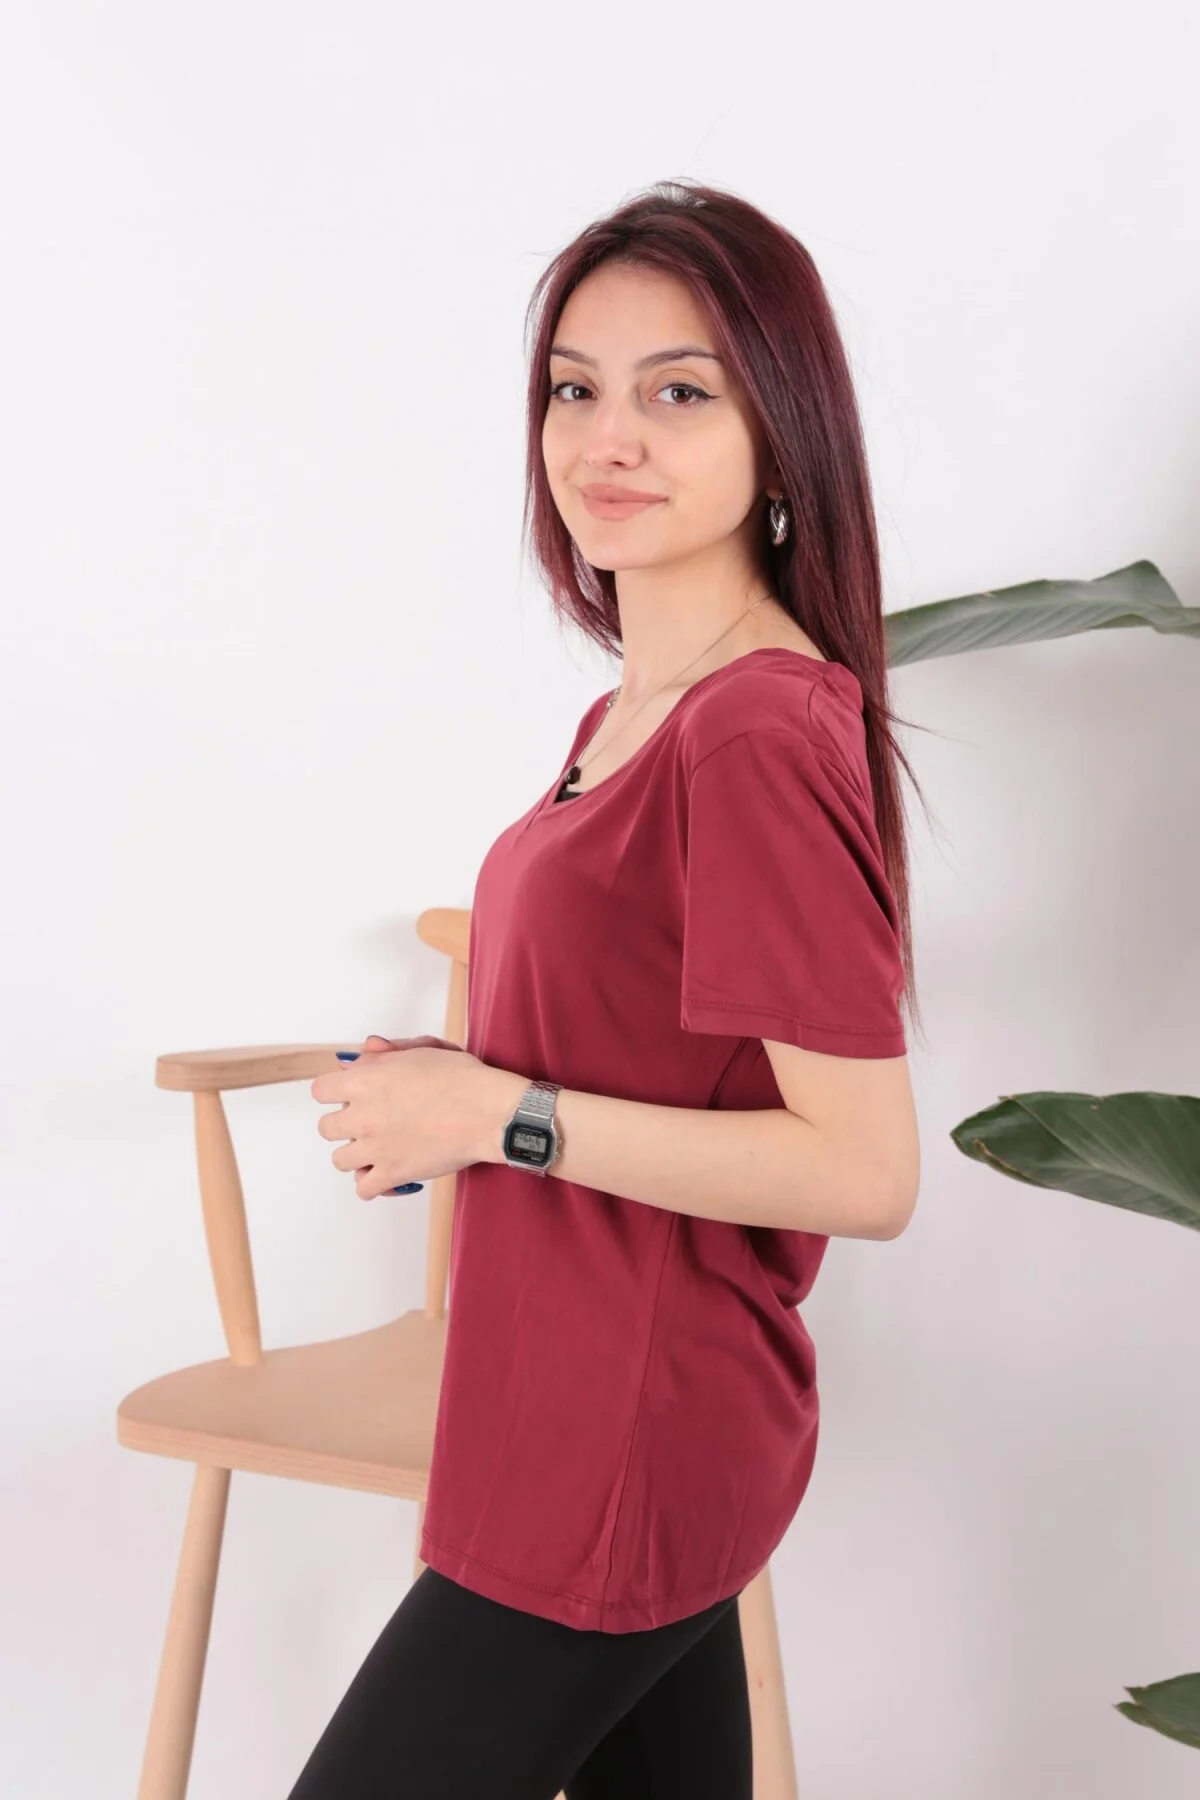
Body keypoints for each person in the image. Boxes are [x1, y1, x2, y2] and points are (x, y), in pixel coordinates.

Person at [292, 177, 923, 1799]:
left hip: (628, 1430)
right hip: (561, 1404)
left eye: (679, 393)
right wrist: (456, 1085)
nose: (608, 439)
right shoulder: (634, 716)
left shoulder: (753, 729)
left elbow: (863, 1169)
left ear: (782, 435)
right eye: (575, 389)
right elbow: (644, 1042)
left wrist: (499, 1116)